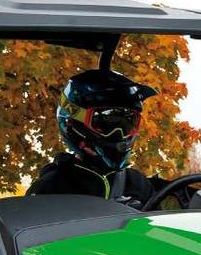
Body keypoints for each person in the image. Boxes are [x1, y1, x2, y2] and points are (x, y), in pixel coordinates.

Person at [27, 68, 169, 207]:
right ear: (73, 124)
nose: (118, 133)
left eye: (127, 122)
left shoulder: (138, 183)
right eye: (105, 121)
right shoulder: (50, 188)